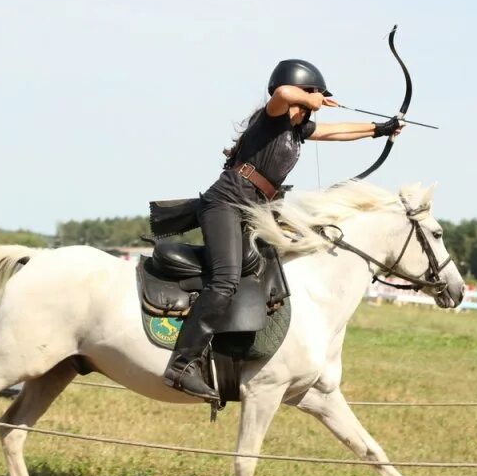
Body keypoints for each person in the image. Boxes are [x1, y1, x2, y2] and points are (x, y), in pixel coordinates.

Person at [163, 59, 405, 400]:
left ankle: (238, 354)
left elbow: (336, 131)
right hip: (226, 205)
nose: (316, 106)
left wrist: (380, 129)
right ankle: (182, 364)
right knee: (226, 279)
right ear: (301, 93)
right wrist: (310, 99)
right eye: (313, 95)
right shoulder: (272, 116)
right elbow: (282, 92)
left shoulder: (296, 131)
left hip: (253, 210)